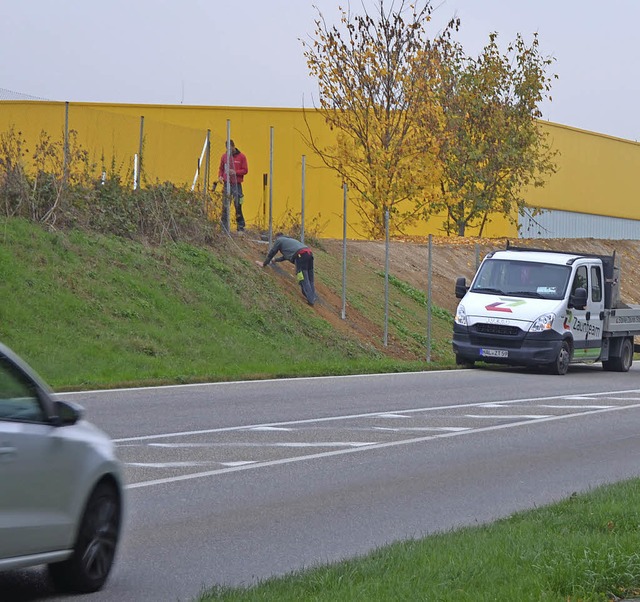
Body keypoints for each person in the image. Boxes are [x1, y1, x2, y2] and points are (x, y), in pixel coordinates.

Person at [262, 233, 317, 305]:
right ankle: (312, 296)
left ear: (277, 237)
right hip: (309, 253)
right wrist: (276, 260)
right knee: (310, 277)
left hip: (300, 256)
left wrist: (265, 263)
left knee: (303, 278)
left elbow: (272, 252)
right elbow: (286, 256)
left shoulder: (279, 240)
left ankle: (310, 300)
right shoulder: (289, 240)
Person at [218, 139, 248, 232]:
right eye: (227, 149)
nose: (229, 151)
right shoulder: (224, 156)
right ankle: (224, 227)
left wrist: (235, 172)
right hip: (227, 183)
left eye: (230, 149)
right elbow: (221, 168)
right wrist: (220, 176)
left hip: (237, 184)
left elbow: (245, 170)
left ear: (233, 146)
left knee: (238, 204)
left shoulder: (241, 157)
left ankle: (240, 226)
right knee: (225, 205)